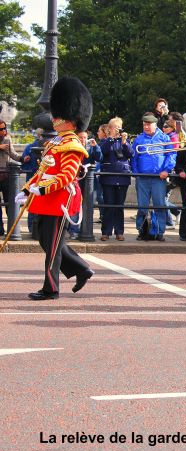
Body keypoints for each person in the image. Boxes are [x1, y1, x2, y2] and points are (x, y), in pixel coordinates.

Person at [14, 77, 94, 300]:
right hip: (46, 199)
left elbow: (66, 175)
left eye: (58, 116)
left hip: (59, 201)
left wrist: (42, 190)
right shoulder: (55, 142)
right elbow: (42, 173)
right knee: (45, 240)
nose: (54, 119)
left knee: (52, 249)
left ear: (71, 120)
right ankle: (81, 268)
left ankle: (51, 288)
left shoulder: (72, 145)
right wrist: (28, 189)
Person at [131, 113, 175, 240]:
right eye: (144, 124)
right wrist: (136, 172)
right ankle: (142, 230)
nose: (146, 127)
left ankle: (160, 232)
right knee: (142, 206)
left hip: (158, 178)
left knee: (160, 204)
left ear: (155, 125)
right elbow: (134, 157)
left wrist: (166, 170)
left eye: (148, 124)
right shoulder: (139, 139)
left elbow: (171, 155)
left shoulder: (164, 138)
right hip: (143, 178)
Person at [98, 117, 132, 241]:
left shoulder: (124, 140)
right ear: (110, 129)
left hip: (122, 177)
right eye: (115, 127)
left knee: (119, 206)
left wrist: (124, 142)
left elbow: (130, 154)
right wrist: (111, 139)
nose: (117, 129)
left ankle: (119, 231)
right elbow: (102, 152)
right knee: (108, 205)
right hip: (108, 177)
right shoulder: (105, 141)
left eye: (119, 127)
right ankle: (106, 232)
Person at [68, 130, 102, 239]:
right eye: (81, 137)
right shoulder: (72, 147)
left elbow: (99, 158)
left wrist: (96, 147)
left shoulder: (91, 147)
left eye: (84, 137)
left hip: (90, 181)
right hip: (76, 180)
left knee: (88, 205)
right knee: (75, 205)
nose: (83, 140)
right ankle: (74, 231)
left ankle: (86, 230)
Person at [0, 119, 22, 236]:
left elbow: (13, 154)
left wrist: (23, 159)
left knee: (10, 204)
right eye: (1, 129)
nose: (4, 131)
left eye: (4, 128)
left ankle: (13, 228)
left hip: (6, 176)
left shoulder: (7, 140)